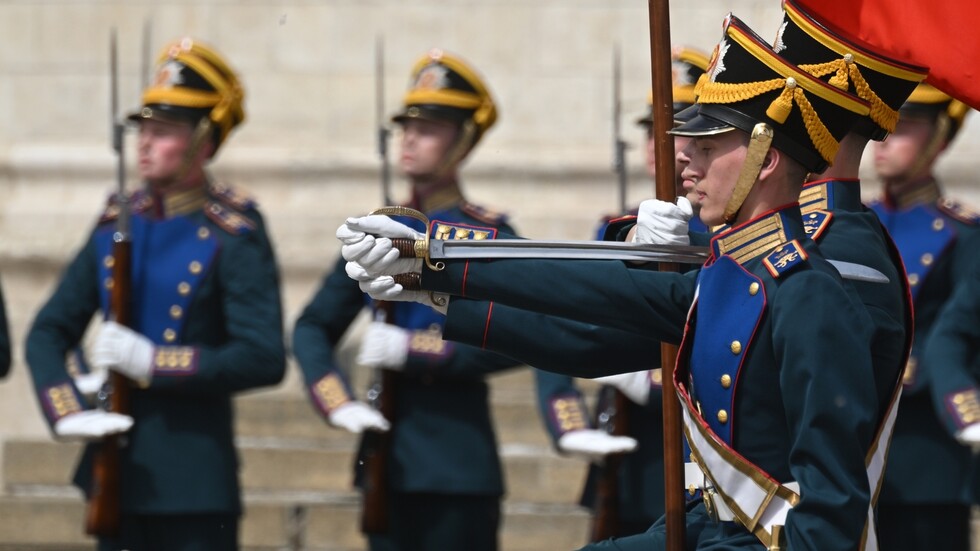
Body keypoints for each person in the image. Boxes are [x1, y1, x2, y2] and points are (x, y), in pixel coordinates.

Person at [343, 14, 890, 550]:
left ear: (769, 155)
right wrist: (432, 266)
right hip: (710, 524)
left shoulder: (822, 266)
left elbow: (829, 498)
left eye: (706, 147)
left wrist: (438, 259)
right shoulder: (740, 266)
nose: (683, 164)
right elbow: (594, 310)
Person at [24, 38, 286, 550]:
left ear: (203, 141)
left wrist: (155, 361)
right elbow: (49, 330)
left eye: (163, 133)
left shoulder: (233, 232)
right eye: (142, 130)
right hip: (115, 471)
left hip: (192, 482)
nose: (144, 144)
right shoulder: (114, 223)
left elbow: (263, 356)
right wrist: (67, 405)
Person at [292, 49, 521, 551]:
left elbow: (519, 337)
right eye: (406, 126)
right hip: (386, 462)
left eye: (431, 128)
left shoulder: (489, 233)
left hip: (457, 466)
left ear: (462, 141)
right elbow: (312, 327)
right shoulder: (377, 229)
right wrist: (336, 400)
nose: (411, 138)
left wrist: (416, 348)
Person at [533, 46, 710, 540]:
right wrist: (567, 419)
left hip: (692, 458)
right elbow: (565, 318)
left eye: (676, 126)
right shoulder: (615, 228)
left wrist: (652, 382)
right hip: (624, 454)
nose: (659, 141)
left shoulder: (720, 232)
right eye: (651, 127)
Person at [870, 82, 980, 551]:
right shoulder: (853, 224)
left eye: (904, 126)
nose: (884, 138)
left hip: (927, 456)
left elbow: (955, 333)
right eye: (881, 126)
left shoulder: (964, 234)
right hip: (853, 453)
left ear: (940, 139)